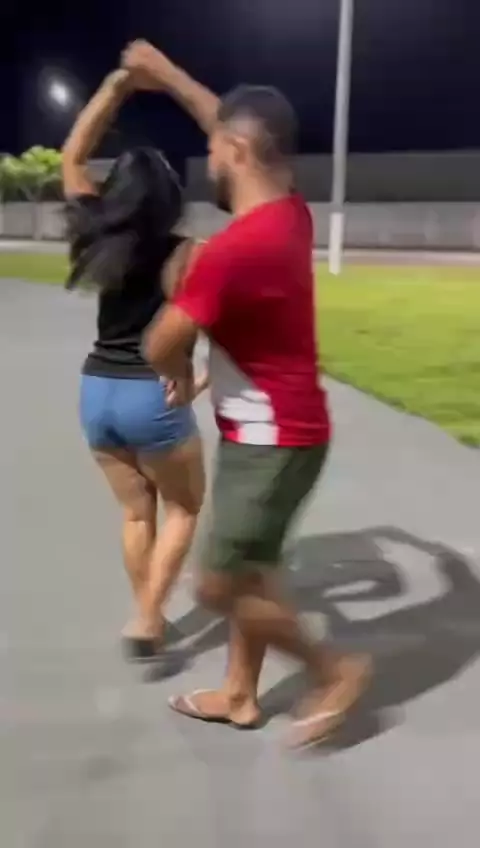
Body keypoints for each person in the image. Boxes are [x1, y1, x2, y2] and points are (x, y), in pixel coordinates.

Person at [123, 41, 371, 748]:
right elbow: (237, 125)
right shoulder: (290, 215)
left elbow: (158, 342)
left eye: (214, 147)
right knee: (254, 571)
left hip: (270, 441)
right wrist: (171, 76)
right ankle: (239, 696)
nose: (209, 155)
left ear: (234, 151)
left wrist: (179, 365)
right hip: (282, 433)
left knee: (218, 584)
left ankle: (334, 671)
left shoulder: (231, 253)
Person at [61, 67, 205, 662]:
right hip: (152, 394)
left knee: (135, 513)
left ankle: (148, 611)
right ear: (171, 198)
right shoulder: (185, 253)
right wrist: (192, 378)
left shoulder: (96, 235)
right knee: (185, 508)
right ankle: (147, 616)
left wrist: (115, 87)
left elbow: (73, 156)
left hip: (97, 391)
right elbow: (191, 328)